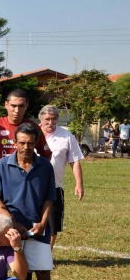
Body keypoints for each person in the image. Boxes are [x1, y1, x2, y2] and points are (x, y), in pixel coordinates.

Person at [0, 122, 59, 280]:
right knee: (4, 273)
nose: (26, 147)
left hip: (37, 229)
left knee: (44, 273)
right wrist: (14, 223)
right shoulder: (2, 165)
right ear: (14, 142)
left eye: (30, 143)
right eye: (22, 143)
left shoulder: (45, 166)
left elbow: (49, 198)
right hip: (9, 229)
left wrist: (43, 222)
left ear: (36, 143)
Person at [39, 105, 84, 251]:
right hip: (32, 187)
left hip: (55, 187)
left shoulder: (66, 136)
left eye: (54, 119)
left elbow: (74, 161)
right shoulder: (32, 132)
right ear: (41, 118)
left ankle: (46, 255)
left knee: (53, 225)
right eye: (47, 119)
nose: (50, 122)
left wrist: (79, 184)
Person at [0, 89, 51, 167]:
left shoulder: (34, 128)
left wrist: (39, 171)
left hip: (25, 174)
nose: (17, 110)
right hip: (0, 174)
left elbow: (46, 155)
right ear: (6, 105)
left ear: (26, 106)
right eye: (13, 106)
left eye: (21, 106)